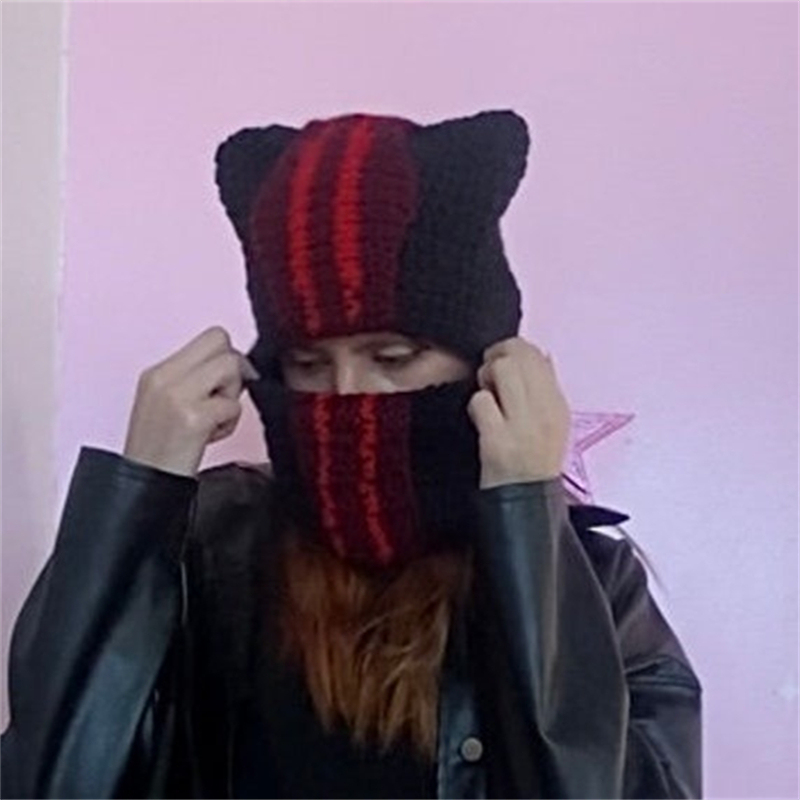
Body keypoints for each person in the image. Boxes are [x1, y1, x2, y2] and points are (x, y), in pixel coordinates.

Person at [1, 110, 702, 799]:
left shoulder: (593, 584)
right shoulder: (209, 549)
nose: (347, 394)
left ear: (485, 365)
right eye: (308, 363)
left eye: (392, 357)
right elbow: (51, 783)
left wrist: (525, 524)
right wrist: (141, 493)